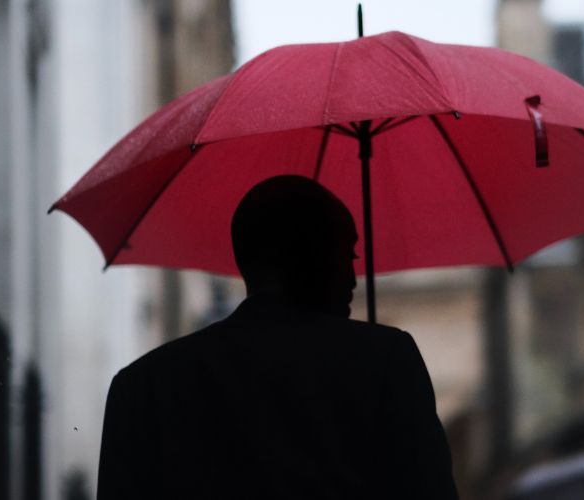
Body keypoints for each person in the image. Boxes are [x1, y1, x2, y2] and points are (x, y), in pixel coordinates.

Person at [97, 175, 458, 499]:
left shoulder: (143, 385)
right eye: (346, 255)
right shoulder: (386, 361)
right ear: (311, 254)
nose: (352, 279)